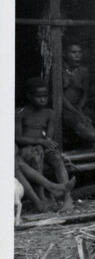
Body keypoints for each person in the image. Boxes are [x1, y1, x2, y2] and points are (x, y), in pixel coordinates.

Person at [15, 78, 74, 211]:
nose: (42, 99)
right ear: (29, 96)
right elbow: (18, 138)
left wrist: (45, 144)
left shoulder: (49, 113)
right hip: (26, 150)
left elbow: (48, 136)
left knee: (58, 159)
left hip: (43, 146)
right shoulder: (21, 113)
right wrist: (39, 143)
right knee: (36, 157)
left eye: (45, 96)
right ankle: (41, 199)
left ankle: (67, 198)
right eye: (38, 96)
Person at [61, 42, 95, 150]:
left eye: (80, 52)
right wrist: (75, 110)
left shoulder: (83, 71)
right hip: (64, 107)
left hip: (79, 106)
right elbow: (60, 96)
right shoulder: (58, 70)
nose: (78, 55)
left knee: (87, 118)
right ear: (64, 53)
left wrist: (80, 108)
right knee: (77, 121)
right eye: (73, 52)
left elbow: (85, 93)